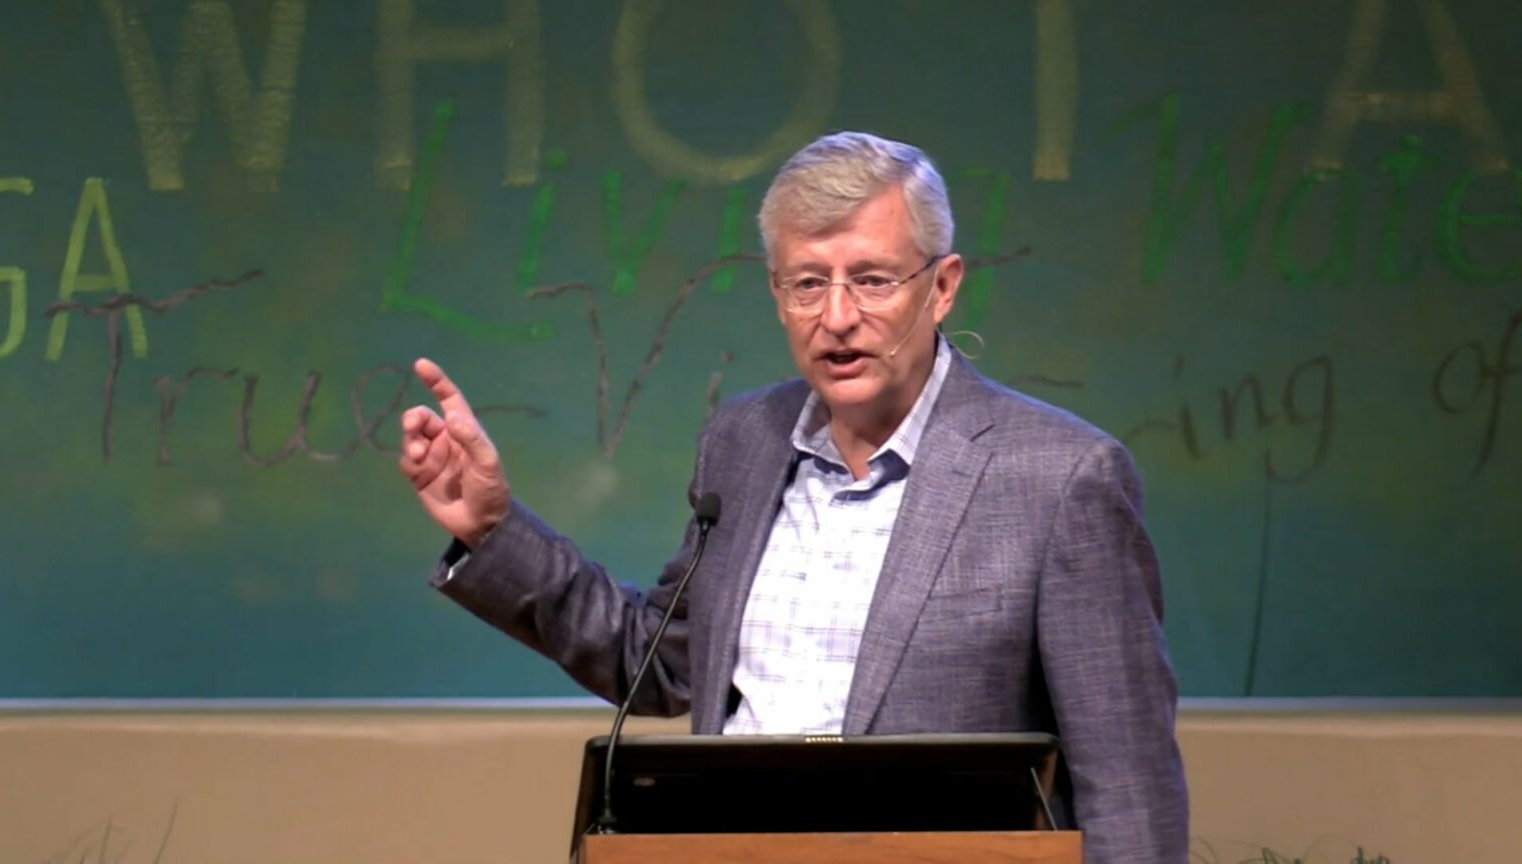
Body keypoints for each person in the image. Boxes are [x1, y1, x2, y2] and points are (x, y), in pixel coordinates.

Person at [399, 131, 1188, 862]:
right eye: (809, 284)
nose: (837, 318)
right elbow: (660, 663)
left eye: (872, 280)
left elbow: (1127, 783)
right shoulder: (742, 443)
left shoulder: (1060, 477)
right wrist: (492, 528)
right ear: (778, 296)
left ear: (942, 287)